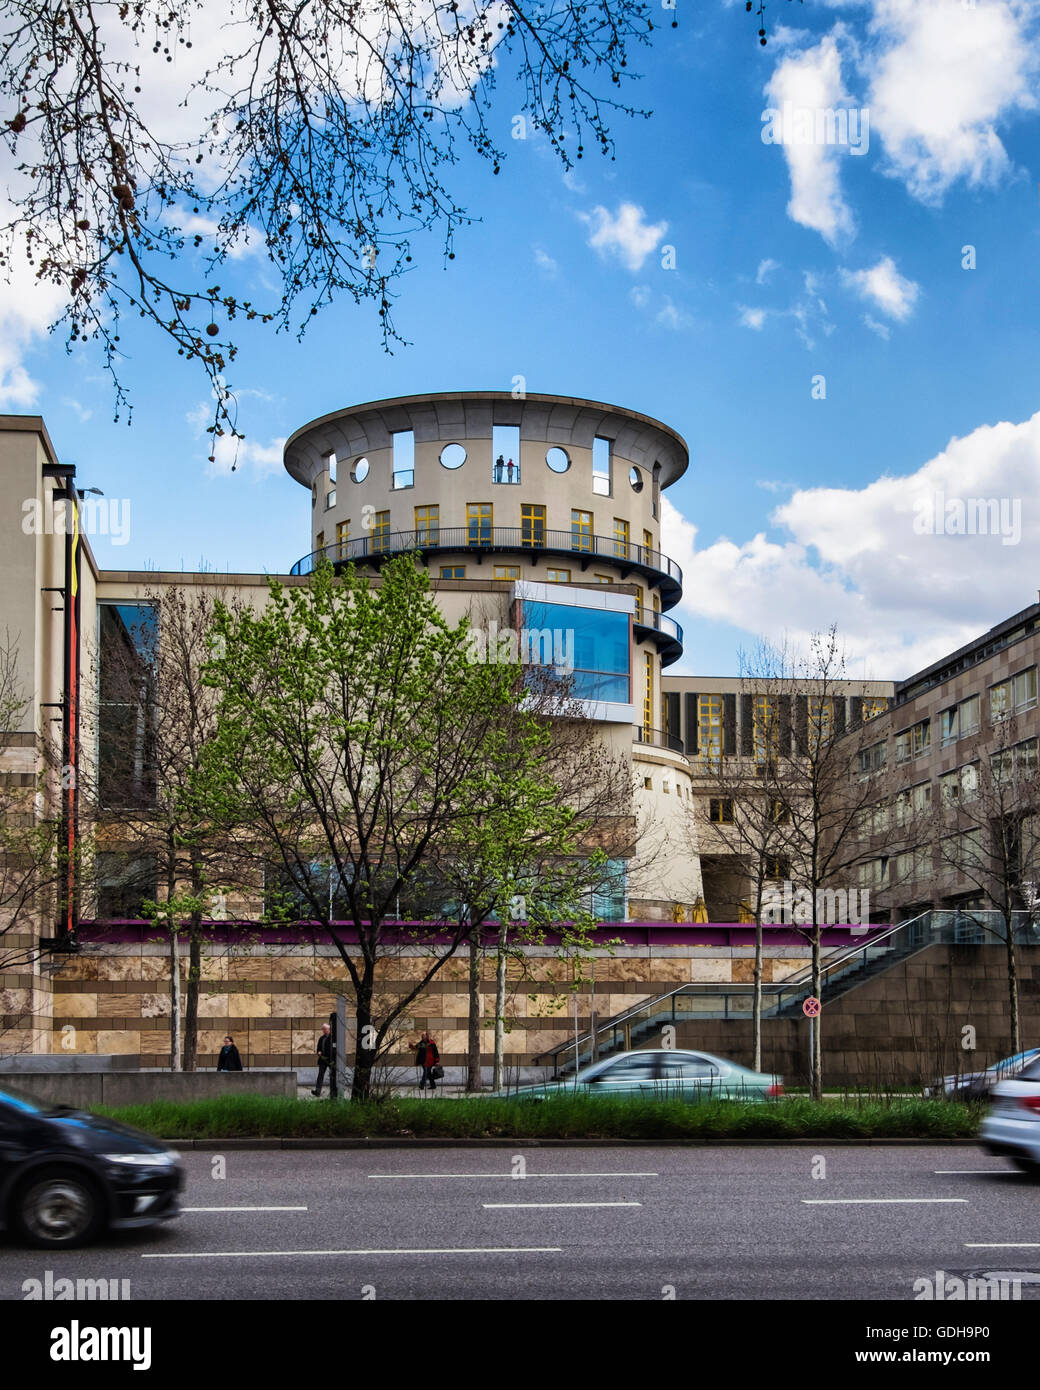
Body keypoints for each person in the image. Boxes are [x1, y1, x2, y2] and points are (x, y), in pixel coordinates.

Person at [312, 1022, 336, 1097]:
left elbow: (335, 1049)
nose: (323, 1030)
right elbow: (318, 1048)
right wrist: (319, 1052)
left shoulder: (333, 1038)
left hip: (331, 1060)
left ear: (328, 1029)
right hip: (322, 1059)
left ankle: (333, 1092)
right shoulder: (321, 1038)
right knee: (320, 1075)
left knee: (332, 1076)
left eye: (324, 1029)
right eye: (323, 1029)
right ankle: (317, 1091)